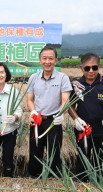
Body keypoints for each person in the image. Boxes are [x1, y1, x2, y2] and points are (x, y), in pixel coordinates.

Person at [68, 53, 103, 181]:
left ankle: (98, 183)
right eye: (87, 68)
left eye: (94, 68)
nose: (91, 71)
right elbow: (70, 107)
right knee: (82, 157)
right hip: (82, 130)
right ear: (81, 68)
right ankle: (81, 184)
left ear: (99, 67)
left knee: (99, 158)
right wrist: (76, 119)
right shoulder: (77, 85)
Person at [27, 46, 72, 177]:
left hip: (54, 120)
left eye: (51, 58)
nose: (48, 61)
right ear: (40, 60)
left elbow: (65, 100)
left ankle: (52, 177)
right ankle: (34, 177)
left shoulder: (63, 78)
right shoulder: (33, 78)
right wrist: (33, 111)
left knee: (54, 151)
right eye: (44, 58)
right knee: (35, 150)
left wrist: (61, 114)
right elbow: (29, 99)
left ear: (56, 60)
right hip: (37, 120)